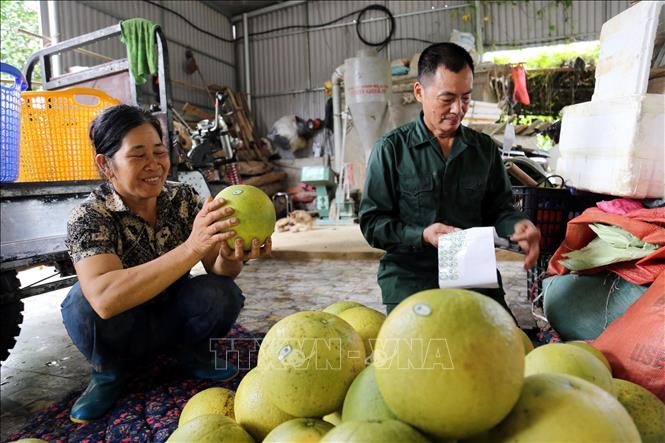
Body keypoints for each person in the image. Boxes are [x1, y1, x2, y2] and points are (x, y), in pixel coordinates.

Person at [61, 104, 271, 423]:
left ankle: (189, 351)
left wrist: (232, 257)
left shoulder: (182, 200)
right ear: (106, 165)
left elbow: (219, 268)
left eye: (159, 152)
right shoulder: (90, 216)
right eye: (138, 155)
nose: (154, 165)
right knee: (82, 303)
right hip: (121, 326)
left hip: (171, 312)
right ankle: (110, 373)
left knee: (222, 292)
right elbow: (104, 299)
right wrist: (191, 247)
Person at [359, 42, 540, 314]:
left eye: (465, 97)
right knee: (428, 350)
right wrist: (421, 235)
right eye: (447, 99)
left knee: (501, 347)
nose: (458, 109)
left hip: (474, 276)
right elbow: (373, 224)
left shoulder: (484, 150)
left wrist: (517, 224)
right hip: (410, 277)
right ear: (419, 92)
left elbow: (500, 209)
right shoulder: (391, 150)